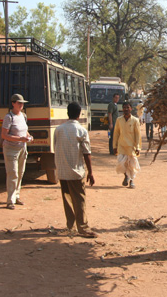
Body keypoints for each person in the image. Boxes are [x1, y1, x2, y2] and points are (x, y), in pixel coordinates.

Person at [54, 102, 97, 238]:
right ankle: (82, 227)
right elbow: (86, 153)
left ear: (68, 113)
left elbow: (56, 147)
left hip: (62, 170)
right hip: (76, 171)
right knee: (79, 199)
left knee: (67, 198)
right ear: (79, 114)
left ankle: (70, 225)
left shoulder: (59, 129)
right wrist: (90, 172)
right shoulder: (81, 130)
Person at [1, 94, 33, 210]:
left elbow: (25, 131)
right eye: (19, 103)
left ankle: (16, 196)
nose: (21, 105)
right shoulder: (9, 117)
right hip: (11, 149)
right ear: (13, 103)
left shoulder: (23, 116)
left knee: (20, 172)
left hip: (22, 148)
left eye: (22, 103)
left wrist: (29, 137)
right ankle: (10, 200)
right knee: (12, 173)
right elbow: (4, 135)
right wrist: (19, 139)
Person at [113, 101, 142, 189]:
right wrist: (114, 146)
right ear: (122, 109)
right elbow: (116, 133)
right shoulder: (119, 120)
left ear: (131, 109)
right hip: (121, 146)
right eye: (124, 108)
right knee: (122, 164)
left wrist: (138, 147)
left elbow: (138, 135)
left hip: (131, 147)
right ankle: (126, 176)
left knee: (132, 165)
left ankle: (131, 181)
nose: (126, 109)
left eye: (127, 107)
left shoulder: (135, 120)